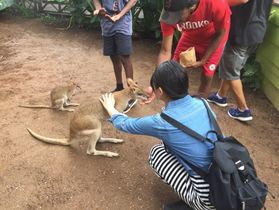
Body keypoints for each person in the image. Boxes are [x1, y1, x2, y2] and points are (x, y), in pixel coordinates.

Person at [100, 60, 219, 210]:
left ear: (160, 92)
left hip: (209, 196)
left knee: (157, 153)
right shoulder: (202, 102)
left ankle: (195, 204)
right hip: (222, 170)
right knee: (171, 142)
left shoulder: (163, 122)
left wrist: (110, 107)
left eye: (154, 89)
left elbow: (125, 124)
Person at [207, 0, 273, 122]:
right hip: (257, 31)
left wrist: (218, 3)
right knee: (230, 65)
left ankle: (243, 110)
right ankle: (221, 96)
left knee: (232, 71)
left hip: (242, 31)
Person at [157, 0, 231, 99]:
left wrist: (203, 60)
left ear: (192, 7)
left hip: (213, 36)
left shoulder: (216, 3)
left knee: (207, 75)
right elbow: (165, 51)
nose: (173, 20)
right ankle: (176, 103)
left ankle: (200, 106)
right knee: (175, 70)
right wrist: (157, 83)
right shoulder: (168, 15)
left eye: (177, 15)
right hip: (190, 35)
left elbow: (220, 34)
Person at [92, 0, 137, 92]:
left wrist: (119, 15)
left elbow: (133, 1)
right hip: (107, 25)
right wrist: (99, 10)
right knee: (114, 57)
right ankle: (119, 87)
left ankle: (132, 91)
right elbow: (96, 1)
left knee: (125, 57)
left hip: (123, 24)